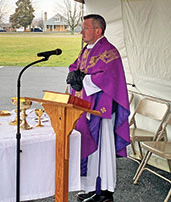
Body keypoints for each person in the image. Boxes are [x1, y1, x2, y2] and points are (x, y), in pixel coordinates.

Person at [66, 14, 130, 202]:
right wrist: (73, 75)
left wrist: (83, 80)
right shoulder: (87, 49)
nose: (81, 32)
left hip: (101, 110)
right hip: (86, 107)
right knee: (89, 147)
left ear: (97, 30)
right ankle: (90, 186)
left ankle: (105, 190)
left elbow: (107, 78)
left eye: (85, 28)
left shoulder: (109, 51)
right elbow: (75, 67)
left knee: (102, 150)